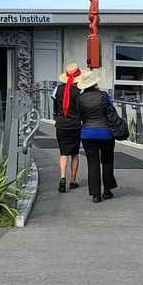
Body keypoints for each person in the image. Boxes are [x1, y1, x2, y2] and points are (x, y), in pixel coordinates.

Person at [76, 69, 118, 204]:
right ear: (94, 84)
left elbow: (80, 115)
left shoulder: (79, 99)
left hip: (87, 133)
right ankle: (107, 191)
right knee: (107, 161)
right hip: (106, 133)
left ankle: (95, 195)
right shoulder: (104, 95)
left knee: (92, 163)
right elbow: (111, 110)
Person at [52, 63, 83, 192]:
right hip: (75, 125)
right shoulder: (80, 91)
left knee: (63, 153)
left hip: (61, 124)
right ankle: (73, 181)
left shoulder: (57, 90)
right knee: (75, 154)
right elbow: (82, 109)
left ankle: (62, 177)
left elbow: (55, 108)